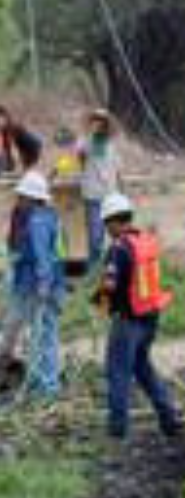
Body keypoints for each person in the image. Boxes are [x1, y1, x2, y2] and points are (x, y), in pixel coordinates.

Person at [94, 194, 181, 440]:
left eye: (106, 223)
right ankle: (169, 418)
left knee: (117, 372)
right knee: (142, 368)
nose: (106, 229)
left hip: (128, 321)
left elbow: (109, 286)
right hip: (150, 317)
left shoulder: (118, 249)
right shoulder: (145, 241)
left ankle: (117, 431)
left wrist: (100, 309)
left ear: (114, 221)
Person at [0, 172, 66, 400]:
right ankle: (42, 381)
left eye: (22, 196)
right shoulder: (50, 216)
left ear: (31, 198)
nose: (18, 200)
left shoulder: (37, 222)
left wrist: (43, 284)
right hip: (49, 283)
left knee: (42, 334)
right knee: (43, 333)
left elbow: (42, 257)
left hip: (38, 285)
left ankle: (46, 386)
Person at [79, 109, 123, 270]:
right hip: (92, 195)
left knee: (112, 239)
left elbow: (118, 171)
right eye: (95, 120)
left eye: (101, 120)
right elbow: (81, 160)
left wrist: (122, 195)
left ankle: (108, 271)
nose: (98, 123)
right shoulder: (85, 142)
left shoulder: (113, 145)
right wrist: (88, 135)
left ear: (107, 124)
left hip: (110, 197)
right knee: (95, 238)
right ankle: (93, 272)